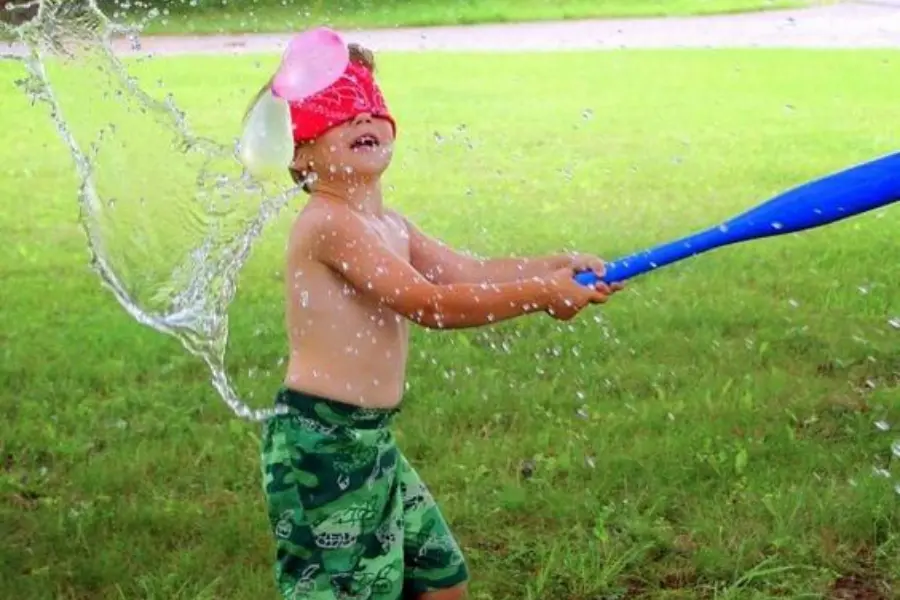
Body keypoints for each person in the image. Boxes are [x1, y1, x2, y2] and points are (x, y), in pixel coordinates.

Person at [254, 37, 624, 600]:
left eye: (371, 104)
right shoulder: (328, 223)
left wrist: (557, 265)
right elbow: (433, 304)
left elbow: (467, 274)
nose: (362, 114)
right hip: (321, 445)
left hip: (372, 439)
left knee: (442, 582)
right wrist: (542, 295)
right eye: (336, 108)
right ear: (299, 154)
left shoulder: (390, 224)